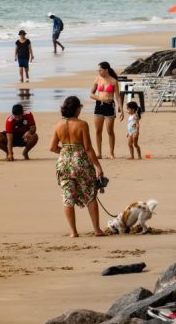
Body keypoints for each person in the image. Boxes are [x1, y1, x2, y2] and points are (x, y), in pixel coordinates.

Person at [49, 96, 105, 238]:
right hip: (81, 163)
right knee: (90, 194)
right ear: (76, 109)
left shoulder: (58, 125)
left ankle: (73, 232)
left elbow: (52, 147)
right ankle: (97, 229)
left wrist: (65, 152)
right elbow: (88, 148)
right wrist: (98, 166)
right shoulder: (82, 124)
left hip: (64, 164)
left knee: (68, 197)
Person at [90, 61, 123, 159]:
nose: (99, 72)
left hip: (109, 107)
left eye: (100, 70)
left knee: (110, 131)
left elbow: (117, 97)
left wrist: (121, 109)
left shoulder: (113, 81)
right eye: (98, 70)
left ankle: (111, 153)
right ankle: (99, 154)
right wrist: (101, 99)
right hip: (99, 106)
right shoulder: (97, 79)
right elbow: (91, 94)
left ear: (106, 70)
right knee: (98, 131)